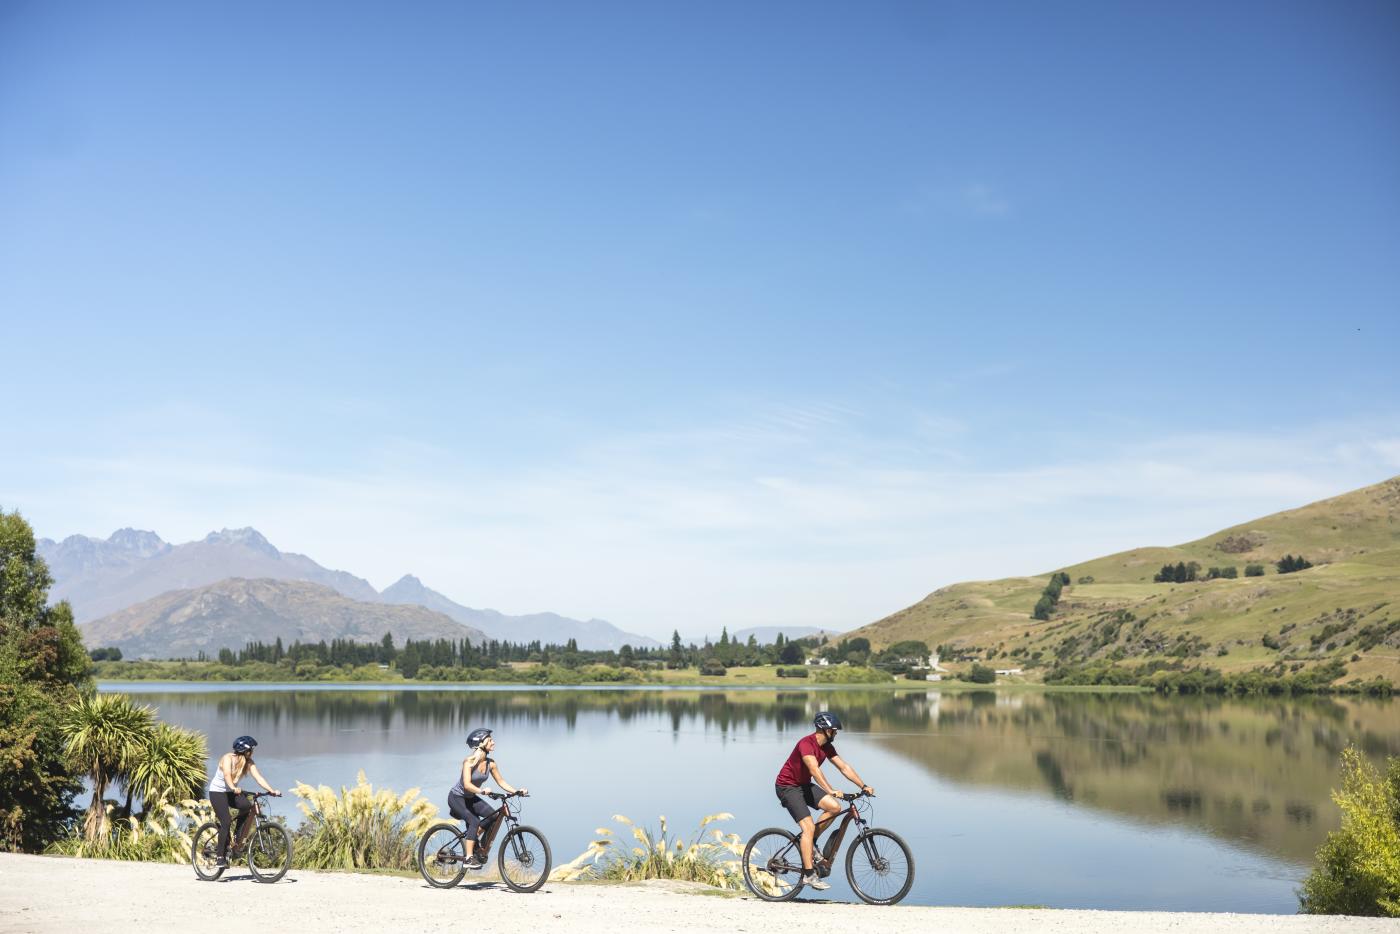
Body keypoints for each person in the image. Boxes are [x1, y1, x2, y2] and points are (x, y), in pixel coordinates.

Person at [773, 712, 874, 890]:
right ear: (825, 729)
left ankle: (811, 843)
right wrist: (830, 790)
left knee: (834, 807)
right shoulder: (806, 744)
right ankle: (809, 875)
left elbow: (844, 767)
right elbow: (813, 769)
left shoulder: (826, 746)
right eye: (834, 731)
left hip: (803, 785)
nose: (836, 734)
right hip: (787, 787)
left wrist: (863, 785)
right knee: (808, 827)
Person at [448, 728, 527, 866]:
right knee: (474, 821)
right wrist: (482, 791)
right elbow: (466, 785)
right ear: (481, 744)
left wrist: (517, 791)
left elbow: (501, 782)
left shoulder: (491, 764)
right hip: (457, 797)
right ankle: (468, 858)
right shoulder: (469, 762)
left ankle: (476, 845)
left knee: (494, 816)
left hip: (471, 798)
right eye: (490, 740)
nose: (493, 742)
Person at [207, 735, 280, 867]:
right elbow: (227, 775)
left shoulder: (249, 762)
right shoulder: (227, 758)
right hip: (217, 792)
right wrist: (233, 787)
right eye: (251, 750)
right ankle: (219, 856)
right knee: (226, 821)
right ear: (245, 751)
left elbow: (259, 778)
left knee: (246, 805)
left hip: (231, 792)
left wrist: (271, 790)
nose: (252, 752)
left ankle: (237, 836)